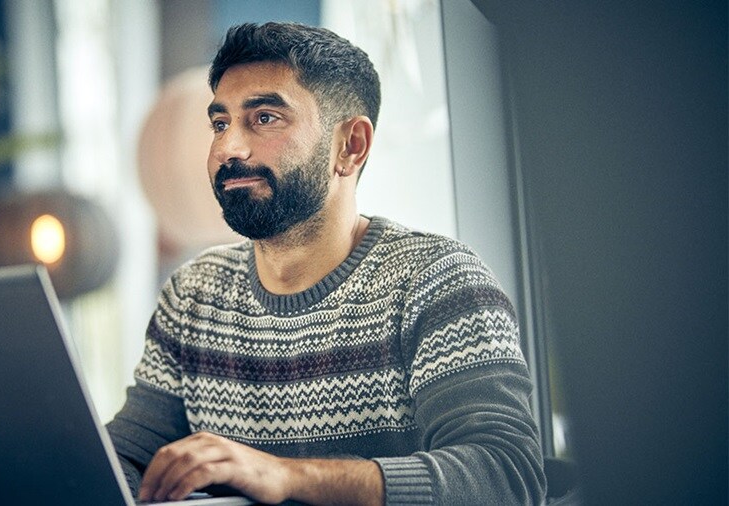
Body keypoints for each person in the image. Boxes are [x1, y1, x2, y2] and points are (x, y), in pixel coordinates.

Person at [107, 22, 546, 505]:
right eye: (220, 123)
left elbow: (506, 476)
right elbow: (125, 458)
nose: (226, 148)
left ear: (350, 146)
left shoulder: (439, 282)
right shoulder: (192, 295)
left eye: (266, 118)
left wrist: (289, 477)